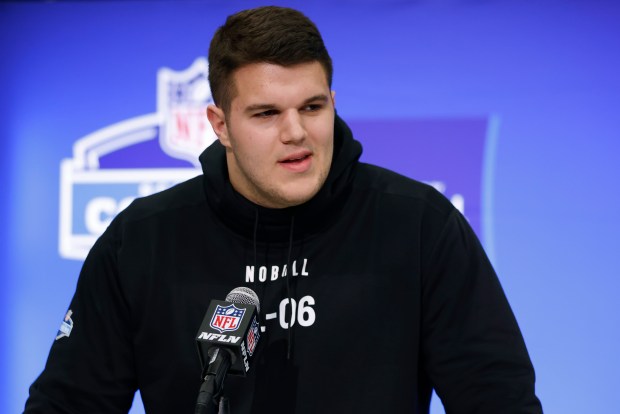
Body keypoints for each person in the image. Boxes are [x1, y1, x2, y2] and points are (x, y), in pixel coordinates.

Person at [25, 6, 543, 414]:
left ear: (333, 102)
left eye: (312, 107)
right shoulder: (141, 241)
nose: (296, 132)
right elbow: (69, 404)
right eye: (266, 113)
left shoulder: (419, 224)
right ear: (220, 124)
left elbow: (499, 400)